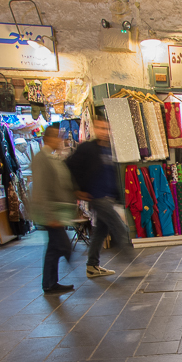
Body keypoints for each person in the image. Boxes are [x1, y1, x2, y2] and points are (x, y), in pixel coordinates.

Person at [66, 116, 134, 278]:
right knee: (119, 228)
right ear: (94, 130)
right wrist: (78, 189)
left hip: (108, 197)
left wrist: (116, 196)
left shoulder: (108, 149)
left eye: (106, 129)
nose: (104, 132)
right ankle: (133, 266)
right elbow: (69, 165)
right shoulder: (87, 149)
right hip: (97, 197)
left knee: (100, 232)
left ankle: (92, 266)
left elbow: (110, 174)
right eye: (101, 129)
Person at [29, 124, 76, 294]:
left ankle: (50, 283)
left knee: (54, 247)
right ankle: (54, 280)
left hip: (57, 211)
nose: (60, 140)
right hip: (50, 213)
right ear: (47, 138)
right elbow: (41, 188)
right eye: (57, 136)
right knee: (62, 246)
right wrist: (50, 216)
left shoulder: (51, 157)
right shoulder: (42, 158)